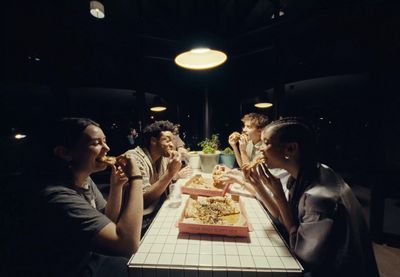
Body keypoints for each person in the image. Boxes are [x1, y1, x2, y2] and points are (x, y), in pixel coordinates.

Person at [243, 117, 379, 277]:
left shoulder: (318, 197)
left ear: (291, 149)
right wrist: (259, 186)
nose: (261, 149)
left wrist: (279, 195)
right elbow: (284, 218)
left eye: (266, 143)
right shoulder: (310, 172)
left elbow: (301, 252)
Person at [38, 118, 143, 277]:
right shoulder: (58, 196)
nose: (106, 148)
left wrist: (116, 187)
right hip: (74, 269)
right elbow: (127, 245)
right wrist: (136, 177)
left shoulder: (85, 180)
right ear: (64, 153)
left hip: (92, 258)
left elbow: (108, 221)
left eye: (105, 141)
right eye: (96, 143)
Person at [125, 120, 190, 232]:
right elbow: (143, 201)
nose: (172, 145)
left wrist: (175, 173)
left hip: (158, 210)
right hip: (139, 222)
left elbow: (165, 182)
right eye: (167, 140)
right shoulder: (134, 158)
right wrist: (170, 173)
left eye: (172, 141)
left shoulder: (163, 157)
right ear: (153, 141)